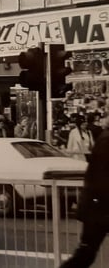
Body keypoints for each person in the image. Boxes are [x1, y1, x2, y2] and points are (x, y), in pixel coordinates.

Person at [60, 114, 109, 268]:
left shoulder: (102, 138)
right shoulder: (106, 140)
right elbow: (101, 178)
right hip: (98, 207)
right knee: (85, 255)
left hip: (98, 206)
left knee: (85, 254)